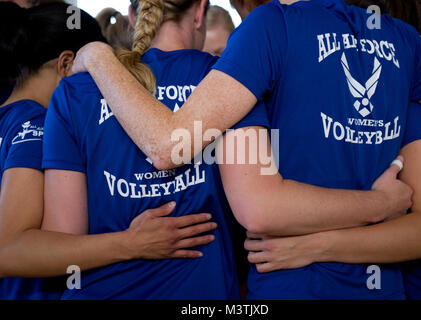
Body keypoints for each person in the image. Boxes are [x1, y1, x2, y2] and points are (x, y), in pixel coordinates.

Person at [72, 0, 421, 299]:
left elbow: (166, 146)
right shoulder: (403, 39)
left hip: (294, 287)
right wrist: (380, 205)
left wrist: (97, 55)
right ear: (201, 11)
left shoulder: (269, 27)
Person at [42, 0, 260, 300]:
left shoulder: (75, 92)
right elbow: (256, 211)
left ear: (134, 16)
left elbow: (59, 247)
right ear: (200, 12)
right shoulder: (230, 84)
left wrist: (124, 243)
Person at [0, 2, 215, 300]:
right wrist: (129, 242)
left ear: (133, 15)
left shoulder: (27, 114)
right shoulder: (36, 125)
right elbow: (10, 249)